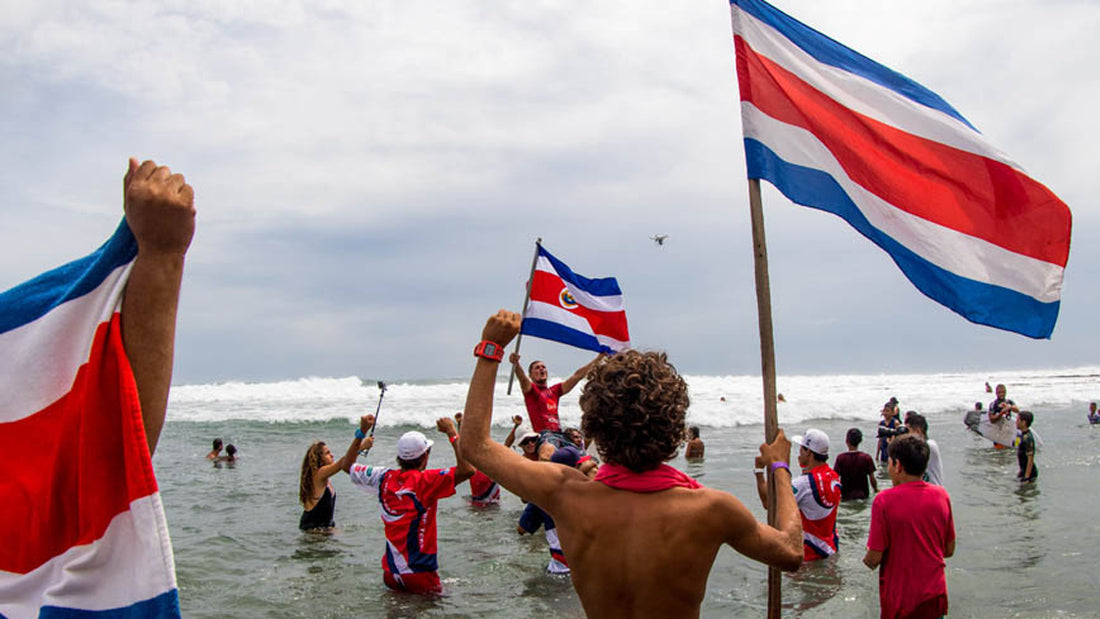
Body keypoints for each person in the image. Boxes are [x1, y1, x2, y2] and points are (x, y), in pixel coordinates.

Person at [460, 310, 803, 619]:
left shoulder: (565, 494)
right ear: (676, 427)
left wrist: (491, 348)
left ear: (594, 424)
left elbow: (475, 446)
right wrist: (779, 469)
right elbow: (790, 551)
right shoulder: (712, 508)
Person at [343, 415, 473, 594]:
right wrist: (452, 433)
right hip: (419, 573)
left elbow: (347, 465)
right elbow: (467, 469)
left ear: (399, 457)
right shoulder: (427, 481)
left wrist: (362, 431)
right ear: (425, 456)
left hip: (390, 573)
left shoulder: (382, 477)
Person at [863, 435, 955, 619]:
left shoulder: (884, 501)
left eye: (889, 463)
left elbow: (874, 557)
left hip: (901, 600)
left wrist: (867, 559)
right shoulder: (941, 495)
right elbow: (948, 549)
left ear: (898, 465)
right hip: (935, 595)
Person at [758, 428, 841, 562]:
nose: (799, 453)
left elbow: (769, 504)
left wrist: (759, 471)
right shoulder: (833, 476)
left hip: (809, 553)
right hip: (830, 547)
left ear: (809, 453)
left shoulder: (803, 484)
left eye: (802, 449)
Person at [510, 351, 601, 460]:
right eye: (537, 367)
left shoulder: (555, 391)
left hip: (561, 435)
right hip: (545, 435)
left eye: (543, 367)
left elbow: (577, 375)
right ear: (531, 375)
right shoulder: (531, 391)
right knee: (546, 456)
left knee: (586, 461)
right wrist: (516, 365)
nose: (541, 369)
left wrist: (599, 357)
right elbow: (523, 380)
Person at [516, 446, 590, 574]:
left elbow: (521, 530)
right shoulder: (591, 491)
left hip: (560, 569)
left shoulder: (543, 497)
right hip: (588, 568)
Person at [454, 412, 522, 505]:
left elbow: (507, 445)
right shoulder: (472, 467)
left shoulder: (494, 467)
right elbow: (462, 445)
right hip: (476, 506)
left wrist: (516, 426)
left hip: (493, 507)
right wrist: (460, 423)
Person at [299, 436, 361, 531]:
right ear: (319, 458)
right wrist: (361, 446)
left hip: (324, 529)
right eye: (327, 453)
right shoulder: (319, 474)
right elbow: (342, 462)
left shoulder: (325, 478)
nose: (332, 455)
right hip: (312, 530)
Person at [833, 428, 877, 501]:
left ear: (846, 441)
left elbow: (835, 478)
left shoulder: (841, 458)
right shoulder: (866, 458)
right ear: (860, 441)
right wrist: (875, 489)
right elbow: (872, 479)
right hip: (863, 496)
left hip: (846, 496)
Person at [904, 412, 943, 486]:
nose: (906, 435)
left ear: (918, 431)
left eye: (908, 431)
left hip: (933, 492)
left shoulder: (930, 445)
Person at [1017, 411, 1038, 483]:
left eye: (1017, 420)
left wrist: (1026, 477)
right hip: (1023, 470)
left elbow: (1030, 458)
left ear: (1023, 422)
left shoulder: (1027, 438)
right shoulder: (1022, 435)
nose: (1016, 422)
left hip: (1029, 474)